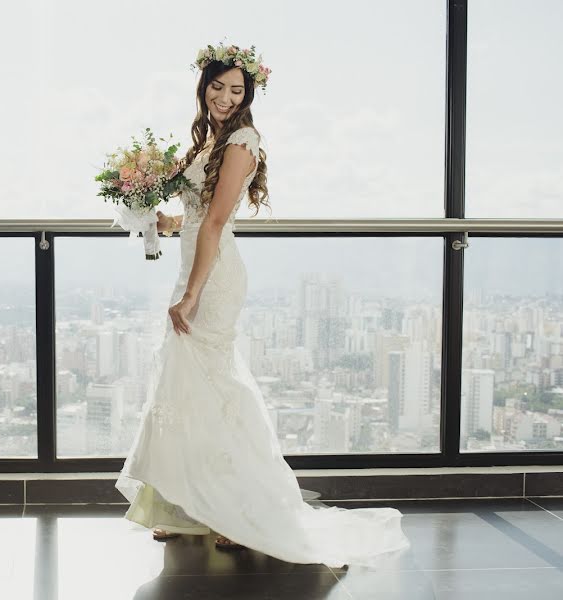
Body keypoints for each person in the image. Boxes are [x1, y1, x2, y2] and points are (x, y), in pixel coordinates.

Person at [114, 42, 412, 569]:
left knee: (217, 388)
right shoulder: (209, 137)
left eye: (237, 90)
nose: (226, 97)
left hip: (213, 278)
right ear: (203, 86)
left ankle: (239, 510)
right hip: (194, 269)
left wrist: (191, 294)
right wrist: (159, 221)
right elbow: (197, 214)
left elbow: (215, 223)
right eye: (218, 87)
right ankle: (187, 506)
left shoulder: (242, 141)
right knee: (182, 388)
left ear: (249, 95)